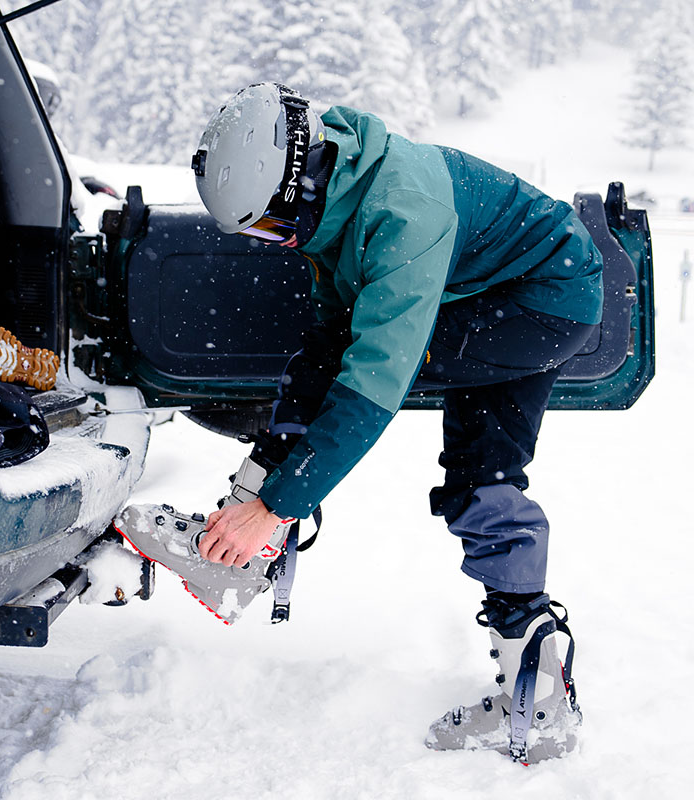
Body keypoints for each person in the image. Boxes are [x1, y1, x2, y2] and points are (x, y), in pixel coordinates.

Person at [112, 83, 602, 763]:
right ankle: (539, 699)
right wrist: (272, 489)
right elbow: (327, 337)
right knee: (471, 469)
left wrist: (277, 505)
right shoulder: (339, 193)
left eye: (271, 228)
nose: (275, 243)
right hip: (509, 283)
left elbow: (371, 388)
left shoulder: (403, 215)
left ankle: (244, 550)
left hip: (540, 301)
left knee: (436, 444)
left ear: (299, 189)